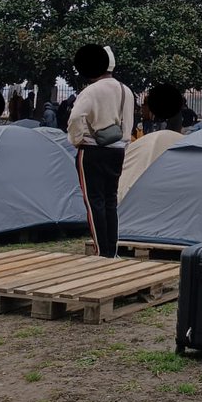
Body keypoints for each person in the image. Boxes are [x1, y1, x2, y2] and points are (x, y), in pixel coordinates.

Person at [67, 44, 135, 258]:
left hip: (93, 150)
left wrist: (77, 140)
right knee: (109, 201)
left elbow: (76, 117)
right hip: (118, 149)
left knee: (94, 201)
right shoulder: (126, 90)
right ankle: (111, 251)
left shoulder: (91, 91)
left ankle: (101, 252)